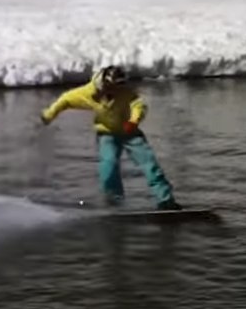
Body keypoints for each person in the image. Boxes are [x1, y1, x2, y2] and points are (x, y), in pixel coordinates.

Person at [40, 66, 182, 211]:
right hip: (107, 134)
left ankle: (166, 201)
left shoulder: (124, 92)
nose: (116, 90)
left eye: (119, 86)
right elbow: (65, 100)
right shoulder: (88, 92)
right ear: (105, 83)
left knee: (150, 164)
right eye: (113, 87)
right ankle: (115, 204)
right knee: (108, 166)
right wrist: (49, 114)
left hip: (130, 132)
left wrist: (134, 121)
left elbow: (138, 105)